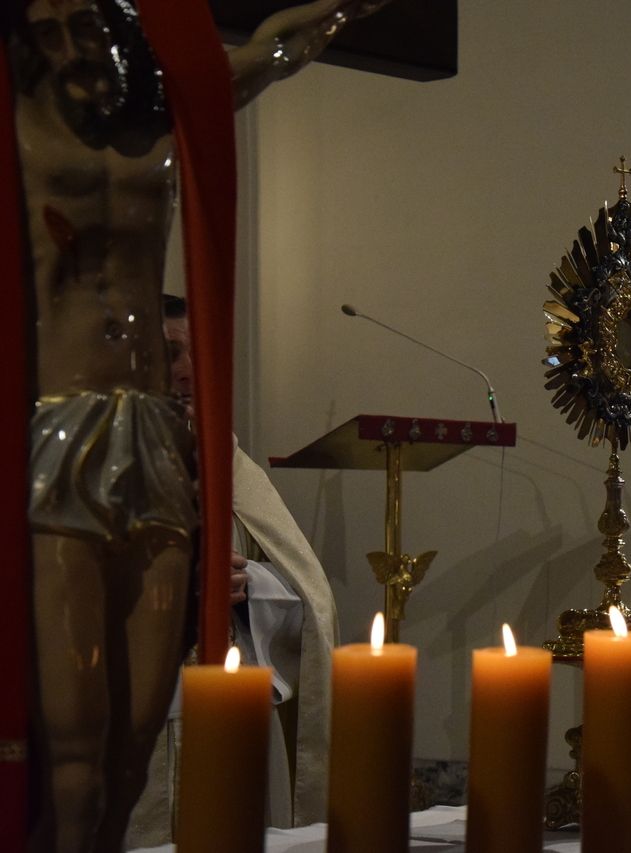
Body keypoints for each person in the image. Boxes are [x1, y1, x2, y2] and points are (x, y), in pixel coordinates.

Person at [4, 2, 392, 849]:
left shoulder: (163, 129)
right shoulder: (21, 134)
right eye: (53, 24)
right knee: (74, 747)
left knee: (137, 740)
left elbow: (277, 47)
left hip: (152, 438)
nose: (73, 41)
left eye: (89, 22)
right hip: (59, 434)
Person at [127, 297, 340, 846]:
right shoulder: (85, 466)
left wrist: (248, 588)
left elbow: (306, 592)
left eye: (199, 356)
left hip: (228, 715)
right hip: (129, 729)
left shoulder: (226, 460)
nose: (188, 372)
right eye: (170, 353)